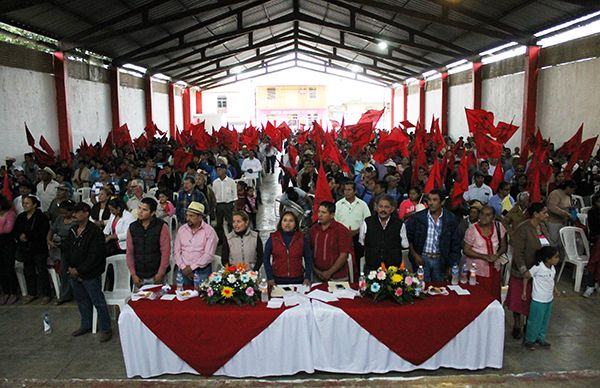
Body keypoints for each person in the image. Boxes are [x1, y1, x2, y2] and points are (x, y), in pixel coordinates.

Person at [63, 202, 112, 342]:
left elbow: (95, 256)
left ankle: (105, 328)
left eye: (78, 212)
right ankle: (86, 324)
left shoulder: (94, 232)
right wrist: (69, 268)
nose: (74, 215)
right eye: (74, 212)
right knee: (81, 300)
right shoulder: (72, 230)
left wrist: (79, 270)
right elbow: (66, 250)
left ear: (86, 213)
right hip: (73, 272)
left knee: (98, 301)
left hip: (89, 273)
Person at [505, 202, 550, 340]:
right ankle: (517, 325)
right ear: (535, 214)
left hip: (537, 271)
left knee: (532, 300)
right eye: (544, 212)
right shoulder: (523, 228)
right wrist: (524, 270)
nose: (547, 215)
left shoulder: (542, 227)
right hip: (522, 270)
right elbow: (518, 252)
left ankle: (528, 325)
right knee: (519, 300)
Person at [406, 189, 461, 281]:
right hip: (422, 258)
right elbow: (409, 238)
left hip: (441, 260)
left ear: (442, 202)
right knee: (421, 289)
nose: (430, 203)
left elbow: (455, 244)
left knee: (439, 289)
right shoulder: (417, 217)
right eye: (429, 200)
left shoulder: (451, 219)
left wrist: (452, 265)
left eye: (434, 200)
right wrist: (415, 255)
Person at [463, 205, 508, 301]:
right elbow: (466, 250)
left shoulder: (498, 227)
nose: (483, 217)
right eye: (482, 214)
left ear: (493, 217)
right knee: (477, 298)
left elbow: (504, 246)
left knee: (493, 298)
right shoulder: (472, 230)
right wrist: (484, 257)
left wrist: (496, 255)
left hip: (494, 270)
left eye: (488, 215)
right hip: (477, 271)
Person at [14, 195, 51, 304]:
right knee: (28, 271)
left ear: (34, 205)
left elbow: (43, 232)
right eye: (24, 203)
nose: (25, 205)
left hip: (38, 248)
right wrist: (20, 236)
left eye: (27, 203)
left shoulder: (41, 217)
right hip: (25, 248)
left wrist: (28, 236)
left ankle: (46, 294)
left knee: (42, 271)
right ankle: (32, 293)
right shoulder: (21, 217)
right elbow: (16, 230)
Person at [126, 198, 171, 288]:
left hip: (156, 274)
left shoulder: (161, 226)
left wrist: (160, 273)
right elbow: (130, 252)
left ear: (153, 213)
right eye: (139, 208)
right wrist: (133, 275)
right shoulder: (133, 227)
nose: (140, 212)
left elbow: (166, 252)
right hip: (139, 276)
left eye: (145, 210)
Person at [523, 246, 560, 350]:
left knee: (544, 320)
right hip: (538, 300)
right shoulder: (538, 267)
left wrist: (555, 290)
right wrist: (524, 291)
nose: (558, 259)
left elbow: (551, 280)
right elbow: (526, 276)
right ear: (548, 259)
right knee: (535, 320)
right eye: (556, 257)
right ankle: (530, 340)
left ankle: (540, 338)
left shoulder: (552, 269)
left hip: (548, 299)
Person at [173, 202, 218, 285]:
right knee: (183, 295)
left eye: (191, 216)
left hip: (202, 270)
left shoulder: (209, 232)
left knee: (201, 296)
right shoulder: (182, 230)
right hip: (183, 268)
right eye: (187, 215)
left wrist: (191, 268)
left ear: (200, 217)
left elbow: (208, 255)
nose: (187, 218)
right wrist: (184, 267)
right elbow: (176, 252)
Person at [263, 211, 313, 286]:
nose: (287, 223)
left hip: (298, 280)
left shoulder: (302, 239)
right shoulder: (273, 238)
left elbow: (308, 259)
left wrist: (307, 277)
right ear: (281, 223)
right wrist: (270, 278)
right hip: (277, 280)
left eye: (291, 221)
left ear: (295, 223)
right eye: (285, 220)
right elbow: (265, 259)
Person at [359, 196, 408, 272]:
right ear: (376, 208)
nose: (383, 210)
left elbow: (405, 245)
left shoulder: (399, 224)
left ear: (392, 209)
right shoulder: (367, 222)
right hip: (372, 268)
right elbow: (361, 242)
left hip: (392, 269)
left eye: (386, 207)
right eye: (380, 206)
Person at [310, 201, 354, 281]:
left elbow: (343, 255)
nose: (320, 215)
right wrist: (316, 270)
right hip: (316, 275)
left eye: (323, 212)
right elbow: (309, 252)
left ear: (332, 215)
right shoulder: (313, 229)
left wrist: (329, 272)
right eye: (319, 212)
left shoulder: (341, 230)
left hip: (338, 277)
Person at [47, 200, 76, 305]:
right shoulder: (59, 219)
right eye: (61, 213)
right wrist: (49, 240)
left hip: (75, 249)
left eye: (65, 213)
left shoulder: (76, 221)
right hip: (62, 249)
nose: (63, 215)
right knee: (63, 272)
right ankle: (65, 295)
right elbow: (51, 230)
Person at [335, 181, 371, 265]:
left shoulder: (362, 204)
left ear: (355, 191)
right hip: (341, 237)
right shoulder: (338, 204)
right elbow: (335, 222)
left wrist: (356, 231)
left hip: (358, 237)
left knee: (358, 260)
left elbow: (368, 221)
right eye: (345, 190)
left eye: (349, 190)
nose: (346, 192)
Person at [546, 181, 577, 252]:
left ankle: (560, 260)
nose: (573, 191)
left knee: (562, 243)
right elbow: (551, 207)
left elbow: (568, 206)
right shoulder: (556, 193)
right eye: (573, 189)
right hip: (553, 222)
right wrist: (565, 213)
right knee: (553, 242)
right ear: (568, 188)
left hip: (564, 222)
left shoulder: (569, 196)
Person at [0, 194, 18, 305]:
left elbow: (7, 229)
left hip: (7, 243)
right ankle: (5, 291)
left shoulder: (10, 214)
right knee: (1, 269)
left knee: (9, 268)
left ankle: (13, 292)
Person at [213, 164, 237, 239]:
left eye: (219, 170)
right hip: (219, 204)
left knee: (230, 222)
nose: (218, 172)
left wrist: (235, 206)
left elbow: (235, 195)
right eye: (217, 170)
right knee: (219, 223)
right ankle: (221, 238)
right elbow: (214, 194)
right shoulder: (215, 182)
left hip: (228, 204)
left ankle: (231, 236)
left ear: (224, 170)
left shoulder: (231, 182)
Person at [582, 193, 600, 298]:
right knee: (593, 262)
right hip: (596, 240)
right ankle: (590, 285)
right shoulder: (592, 212)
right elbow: (595, 227)